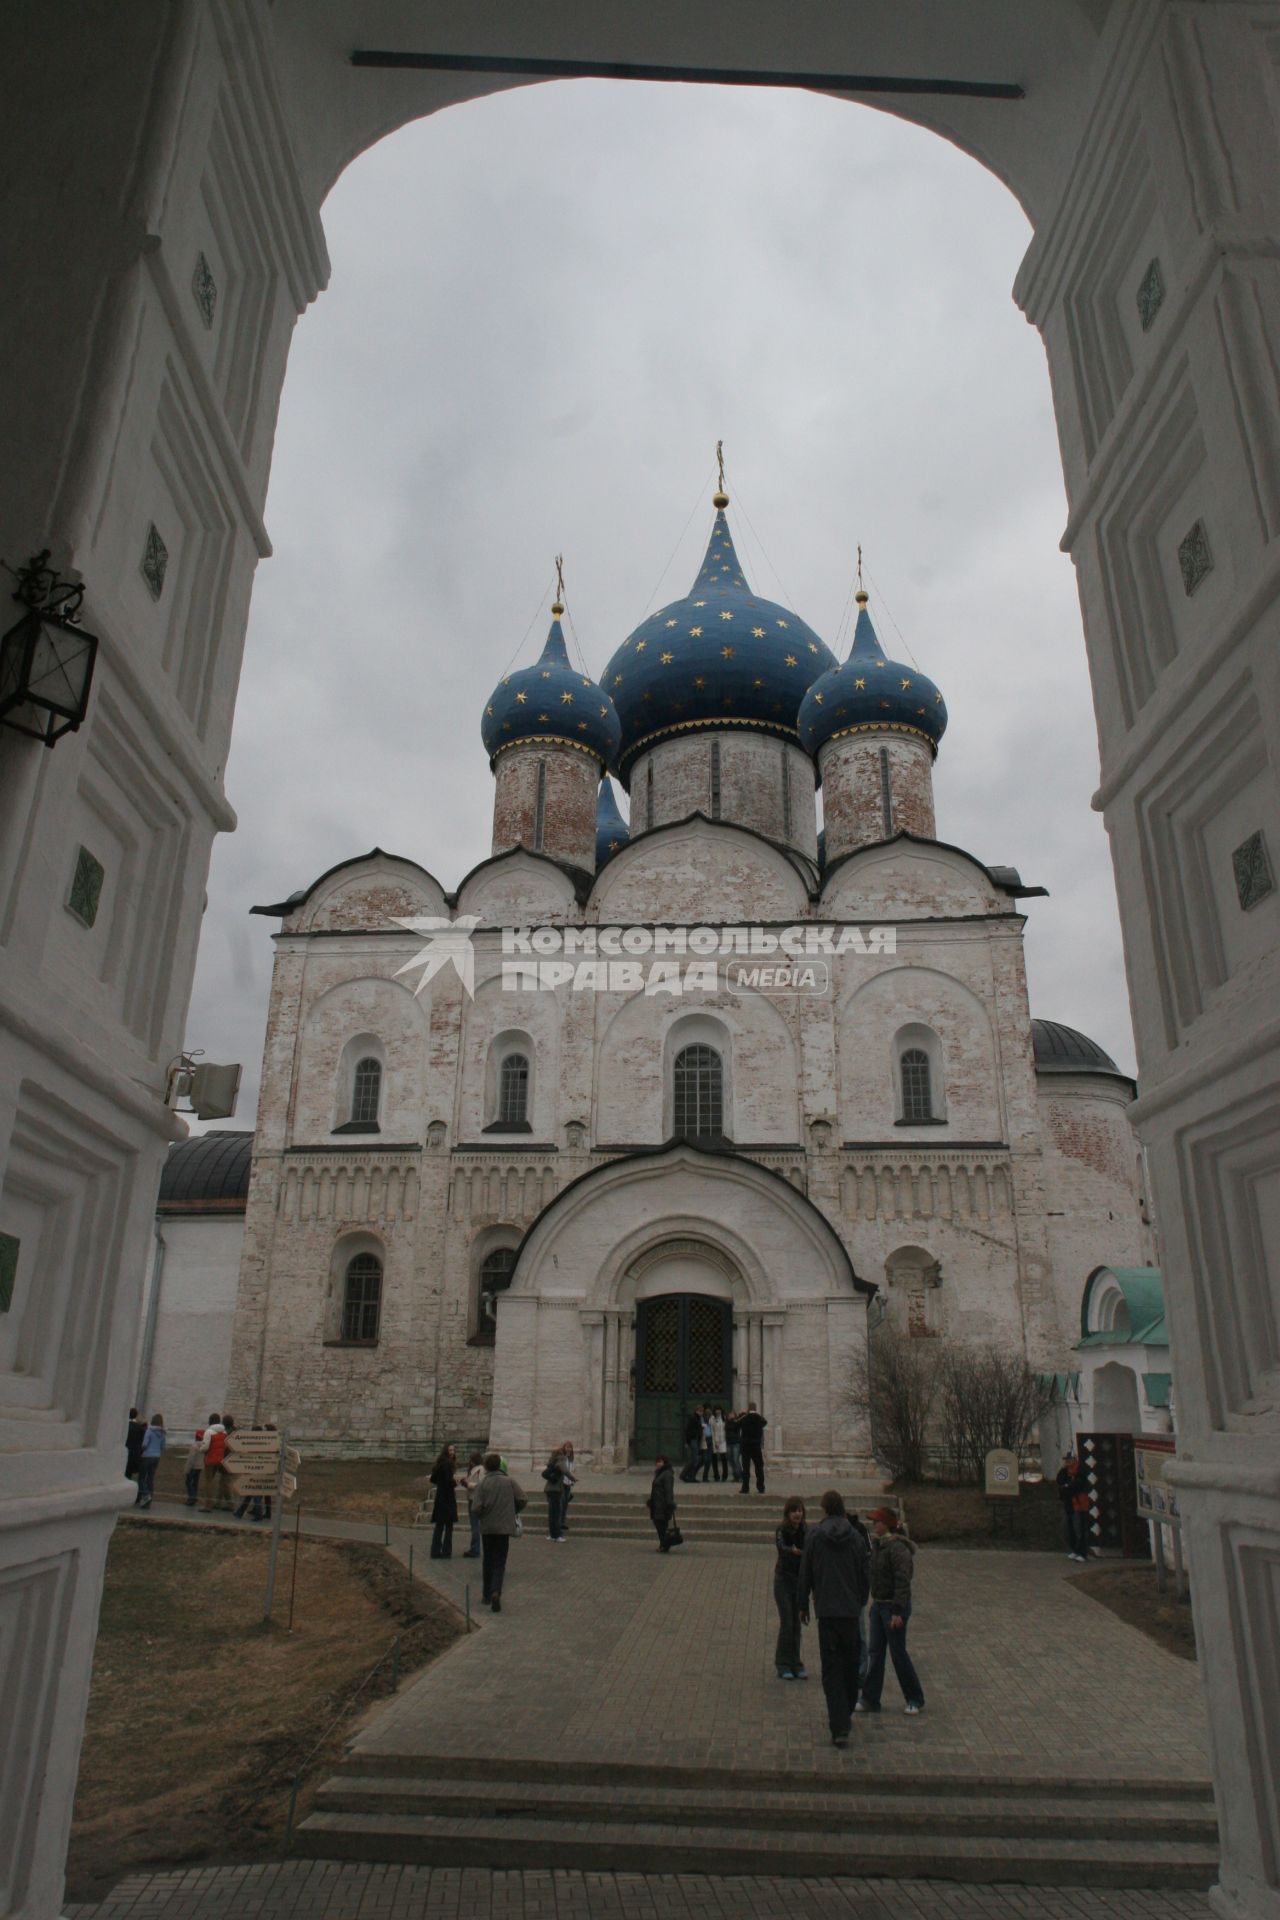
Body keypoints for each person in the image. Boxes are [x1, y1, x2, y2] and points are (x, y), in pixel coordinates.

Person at [799, 1489, 870, 1748]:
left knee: (832, 1668)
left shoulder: (815, 1535)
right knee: (850, 1662)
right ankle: (847, 1709)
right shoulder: (855, 1536)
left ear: (825, 1509)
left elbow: (806, 1569)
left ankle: (839, 1722)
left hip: (827, 1609)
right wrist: (861, 1600)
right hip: (850, 1611)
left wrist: (803, 1603)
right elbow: (864, 1572)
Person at [857, 1507, 925, 1716]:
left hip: (894, 1607)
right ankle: (870, 1698)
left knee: (898, 1654)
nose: (873, 1525)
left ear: (887, 1523)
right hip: (879, 1605)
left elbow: (902, 1581)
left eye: (877, 1521)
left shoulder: (897, 1548)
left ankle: (914, 1698)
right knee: (875, 1653)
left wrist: (897, 1611)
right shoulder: (879, 1545)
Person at [474, 1450, 526, 1611]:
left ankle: (486, 1596)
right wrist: (513, 1510)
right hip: (504, 1528)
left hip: (488, 1527)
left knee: (487, 1560)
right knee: (500, 1562)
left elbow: (475, 1507)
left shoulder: (483, 1483)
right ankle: (496, 1591)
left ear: (487, 1467)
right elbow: (523, 1499)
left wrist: (483, 1513)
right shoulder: (509, 1481)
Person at [774, 1497, 809, 1679]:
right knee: (787, 1622)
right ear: (788, 1513)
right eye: (794, 1511)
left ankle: (796, 1661)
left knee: (797, 1624)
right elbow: (781, 1547)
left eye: (800, 1510)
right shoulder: (782, 1529)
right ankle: (782, 1663)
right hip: (783, 1581)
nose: (797, 1514)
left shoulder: (805, 1530)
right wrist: (792, 1551)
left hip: (799, 1581)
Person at [1056, 1450, 1092, 1561]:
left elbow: (1076, 1486)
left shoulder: (1080, 1471)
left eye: (1069, 1460)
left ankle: (1082, 1553)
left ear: (1074, 1460)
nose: (1067, 1462)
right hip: (1069, 1503)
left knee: (1080, 1529)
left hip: (1080, 1504)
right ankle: (1074, 1550)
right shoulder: (1066, 1471)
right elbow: (1060, 1481)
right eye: (1066, 1460)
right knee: (1068, 1527)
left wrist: (1067, 1487)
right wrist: (1063, 1470)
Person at [429, 1443, 459, 1558]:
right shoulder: (447, 1464)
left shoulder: (440, 1463)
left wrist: (441, 1483)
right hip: (448, 1498)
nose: (452, 1452)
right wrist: (455, 1482)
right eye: (450, 1450)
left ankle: (435, 1550)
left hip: (440, 1496)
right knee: (448, 1526)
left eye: (453, 1450)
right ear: (446, 1451)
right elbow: (448, 1482)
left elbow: (433, 1479)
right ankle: (446, 1551)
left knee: (439, 1525)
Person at [198, 1413, 232, 1512]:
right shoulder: (224, 1432)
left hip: (210, 1458)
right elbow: (225, 1446)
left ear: (210, 1420)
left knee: (208, 1481)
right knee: (219, 1480)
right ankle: (217, 1502)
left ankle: (208, 1505)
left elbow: (205, 1447)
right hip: (220, 1458)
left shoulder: (209, 1432)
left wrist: (200, 1449)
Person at [648, 1453, 678, 1551]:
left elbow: (668, 1490)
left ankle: (664, 1545)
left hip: (662, 1504)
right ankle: (663, 1544)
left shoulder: (667, 1474)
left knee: (662, 1526)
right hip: (657, 1503)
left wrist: (669, 1503)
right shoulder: (660, 1473)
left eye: (660, 1462)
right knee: (659, 1525)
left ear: (664, 1462)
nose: (658, 1464)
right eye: (657, 1462)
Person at [135, 1414, 165, 1507]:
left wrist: (141, 1452)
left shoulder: (149, 1430)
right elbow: (163, 1446)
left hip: (147, 1456)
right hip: (157, 1457)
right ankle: (149, 1497)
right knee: (150, 1478)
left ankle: (145, 1494)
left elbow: (144, 1444)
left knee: (141, 1478)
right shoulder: (163, 1433)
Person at [542, 1444, 570, 1540]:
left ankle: (552, 1534)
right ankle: (557, 1535)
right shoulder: (560, 1461)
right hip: (556, 1490)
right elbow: (566, 1471)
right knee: (557, 1513)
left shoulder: (551, 1463)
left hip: (548, 1490)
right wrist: (573, 1478)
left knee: (552, 1513)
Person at [461, 1451, 485, 1557]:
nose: (469, 1462)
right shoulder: (472, 1470)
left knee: (475, 1525)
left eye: (471, 1460)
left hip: (476, 1499)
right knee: (473, 1524)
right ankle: (474, 1548)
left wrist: (468, 1484)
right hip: (471, 1498)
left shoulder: (481, 1469)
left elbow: (481, 1484)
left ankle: (475, 1549)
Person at [739, 1402, 767, 1494]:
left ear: (748, 1408)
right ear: (755, 1408)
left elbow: (736, 1424)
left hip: (746, 1446)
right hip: (756, 1446)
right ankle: (761, 1487)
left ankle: (745, 1488)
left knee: (746, 1468)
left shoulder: (744, 1418)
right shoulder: (759, 1418)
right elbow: (765, 1422)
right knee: (759, 1467)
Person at [680, 1407, 703, 1482]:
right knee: (694, 1459)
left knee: (695, 1459)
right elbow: (688, 1430)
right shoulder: (693, 1418)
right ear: (696, 1411)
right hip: (693, 1439)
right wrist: (687, 1441)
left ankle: (690, 1476)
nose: (701, 1412)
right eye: (699, 1411)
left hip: (696, 1439)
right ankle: (685, 1475)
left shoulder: (699, 1418)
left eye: (702, 1411)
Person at [183, 1428, 204, 1507]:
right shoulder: (204, 1446)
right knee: (195, 1483)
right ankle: (194, 1496)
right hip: (200, 1467)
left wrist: (187, 1469)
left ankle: (192, 1497)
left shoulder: (194, 1446)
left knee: (188, 1482)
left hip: (193, 1467)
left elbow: (190, 1459)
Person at [124, 1407, 147, 1482]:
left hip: (125, 1451)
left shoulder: (124, 1426)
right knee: (129, 1473)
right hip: (135, 1453)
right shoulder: (139, 1428)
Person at [560, 1441, 578, 1531]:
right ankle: (559, 1522)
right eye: (567, 1447)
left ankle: (562, 1522)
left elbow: (573, 1471)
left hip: (569, 1484)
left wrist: (572, 1480)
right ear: (564, 1448)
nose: (568, 1449)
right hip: (562, 1484)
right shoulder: (562, 1458)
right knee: (561, 1504)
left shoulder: (571, 1460)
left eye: (570, 1447)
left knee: (565, 1504)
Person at [710, 1407, 728, 1482]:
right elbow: (712, 1431)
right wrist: (715, 1441)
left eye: (719, 1410)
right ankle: (716, 1476)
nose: (718, 1411)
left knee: (724, 1459)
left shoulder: (724, 1418)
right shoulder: (712, 1419)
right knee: (714, 1459)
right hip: (715, 1441)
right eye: (716, 1410)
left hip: (723, 1441)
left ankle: (724, 1476)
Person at [725, 1409, 742, 1483]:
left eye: (732, 1414)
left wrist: (735, 1420)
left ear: (735, 1415)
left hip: (736, 1443)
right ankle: (735, 1476)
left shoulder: (737, 1422)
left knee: (735, 1459)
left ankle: (740, 1476)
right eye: (730, 1414)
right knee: (731, 1460)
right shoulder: (727, 1423)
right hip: (729, 1443)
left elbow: (737, 1428)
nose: (731, 1416)